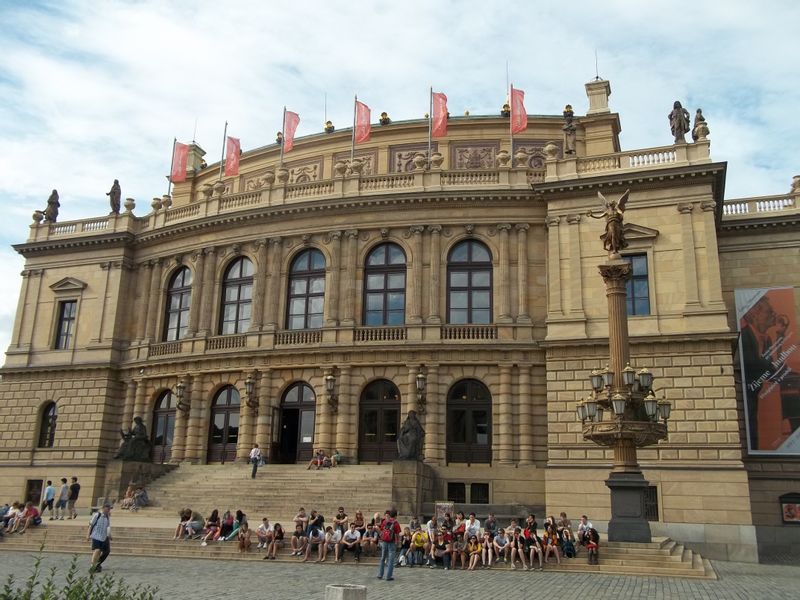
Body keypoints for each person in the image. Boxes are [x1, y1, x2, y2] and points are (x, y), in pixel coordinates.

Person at [377, 508, 401, 581]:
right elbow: (397, 534)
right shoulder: (396, 523)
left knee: (383, 558)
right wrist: (398, 542)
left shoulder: (384, 521)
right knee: (390, 560)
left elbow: (381, 529)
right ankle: (388, 576)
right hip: (392, 542)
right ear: (395, 516)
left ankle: (380, 574)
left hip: (384, 541)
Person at [88, 502, 112, 574]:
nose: (108, 511)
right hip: (96, 535)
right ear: (103, 508)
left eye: (109, 510)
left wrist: (110, 535)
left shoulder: (107, 516)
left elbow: (107, 526)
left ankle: (97, 564)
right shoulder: (97, 515)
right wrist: (88, 534)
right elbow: (91, 525)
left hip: (104, 536)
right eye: (107, 509)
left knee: (105, 551)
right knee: (97, 550)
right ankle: (93, 565)